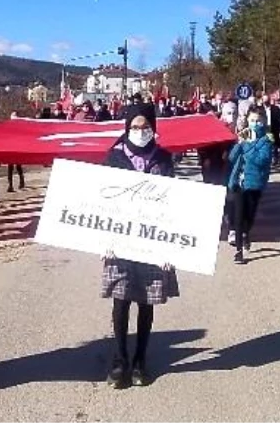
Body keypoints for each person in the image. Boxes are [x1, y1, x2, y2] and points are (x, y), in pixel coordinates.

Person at [101, 110, 178, 389]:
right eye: (135, 126)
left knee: (146, 302)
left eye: (146, 126)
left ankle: (140, 360)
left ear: (153, 129)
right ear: (127, 127)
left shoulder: (164, 158)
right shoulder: (113, 158)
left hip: (153, 242)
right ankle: (120, 360)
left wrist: (172, 246)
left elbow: (175, 201)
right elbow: (101, 200)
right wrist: (103, 240)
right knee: (121, 301)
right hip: (120, 243)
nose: (140, 130)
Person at [226, 110, 275, 264]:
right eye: (252, 120)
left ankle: (247, 233)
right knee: (238, 215)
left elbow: (261, 161)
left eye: (258, 121)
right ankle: (239, 251)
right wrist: (239, 144)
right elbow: (232, 158)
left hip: (254, 184)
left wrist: (247, 146)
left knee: (249, 215)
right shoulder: (244, 137)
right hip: (238, 183)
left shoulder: (265, 141)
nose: (255, 124)